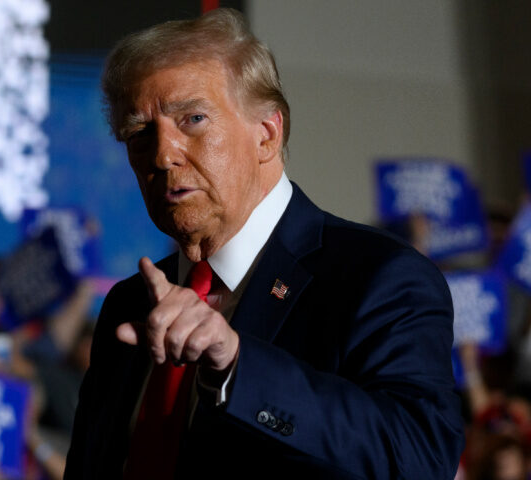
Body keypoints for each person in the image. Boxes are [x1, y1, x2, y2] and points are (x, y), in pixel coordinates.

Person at [65, 8, 464, 479]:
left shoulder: (380, 278)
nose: (163, 154)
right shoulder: (129, 304)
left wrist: (237, 366)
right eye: (139, 133)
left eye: (192, 118)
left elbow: (418, 458)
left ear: (267, 135)